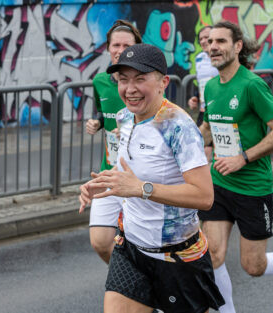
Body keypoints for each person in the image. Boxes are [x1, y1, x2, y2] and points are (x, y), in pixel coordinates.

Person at [79, 43, 224, 313]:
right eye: (123, 79)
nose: (130, 88)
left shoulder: (178, 127)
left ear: (163, 83)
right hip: (130, 249)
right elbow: (131, 171)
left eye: (140, 79)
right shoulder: (124, 117)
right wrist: (102, 183)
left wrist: (140, 188)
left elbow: (204, 197)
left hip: (177, 256)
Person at [198, 21, 273, 312]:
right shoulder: (210, 86)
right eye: (210, 42)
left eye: (221, 41)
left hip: (252, 188)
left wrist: (242, 158)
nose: (213, 47)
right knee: (213, 255)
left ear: (237, 47)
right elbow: (210, 128)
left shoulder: (252, 85)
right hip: (219, 183)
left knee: (253, 265)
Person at [82, 20, 142, 264]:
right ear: (108, 49)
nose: (120, 50)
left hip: (139, 175)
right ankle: (131, 281)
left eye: (126, 45)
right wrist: (97, 122)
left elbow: (161, 118)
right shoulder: (100, 81)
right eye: (115, 45)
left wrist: (131, 128)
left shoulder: (146, 81)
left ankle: (140, 290)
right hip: (110, 172)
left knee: (142, 243)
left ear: (137, 47)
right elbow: (103, 110)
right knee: (100, 241)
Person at [188, 26, 219, 126]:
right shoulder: (199, 58)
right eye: (200, 39)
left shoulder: (223, 58)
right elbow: (203, 83)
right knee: (201, 140)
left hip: (220, 110)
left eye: (206, 37)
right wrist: (196, 97)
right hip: (204, 110)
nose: (203, 41)